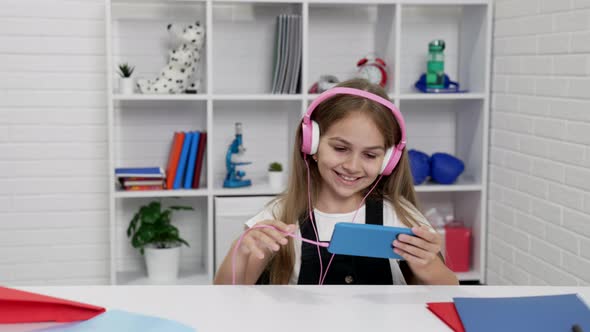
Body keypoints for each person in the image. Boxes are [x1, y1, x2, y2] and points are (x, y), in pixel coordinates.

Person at [215, 78, 458, 285]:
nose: (352, 166)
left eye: (370, 155)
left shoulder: (398, 216)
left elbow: (450, 290)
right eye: (341, 148)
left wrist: (427, 266)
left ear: (388, 161)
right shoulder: (279, 216)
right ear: (312, 143)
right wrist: (242, 249)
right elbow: (226, 295)